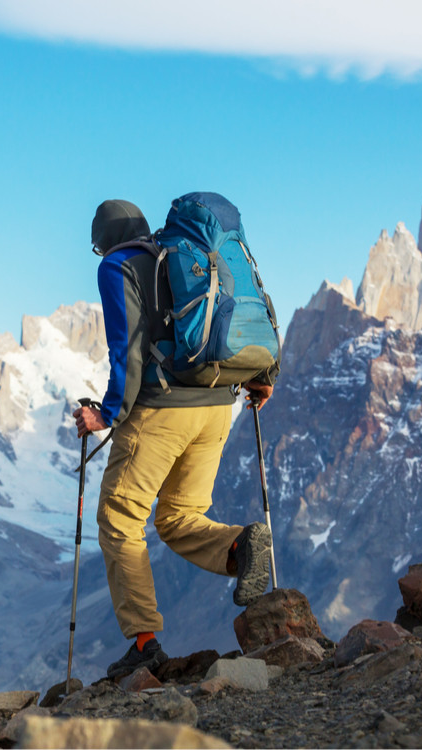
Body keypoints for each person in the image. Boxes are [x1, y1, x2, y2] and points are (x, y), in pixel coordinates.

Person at [73, 197, 278, 679]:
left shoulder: (118, 266)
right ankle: (240, 546)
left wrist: (105, 415)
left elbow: (128, 349)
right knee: (179, 516)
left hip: (161, 413)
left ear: (103, 238)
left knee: (120, 516)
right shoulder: (180, 258)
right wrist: (262, 376)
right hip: (215, 408)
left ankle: (144, 644)